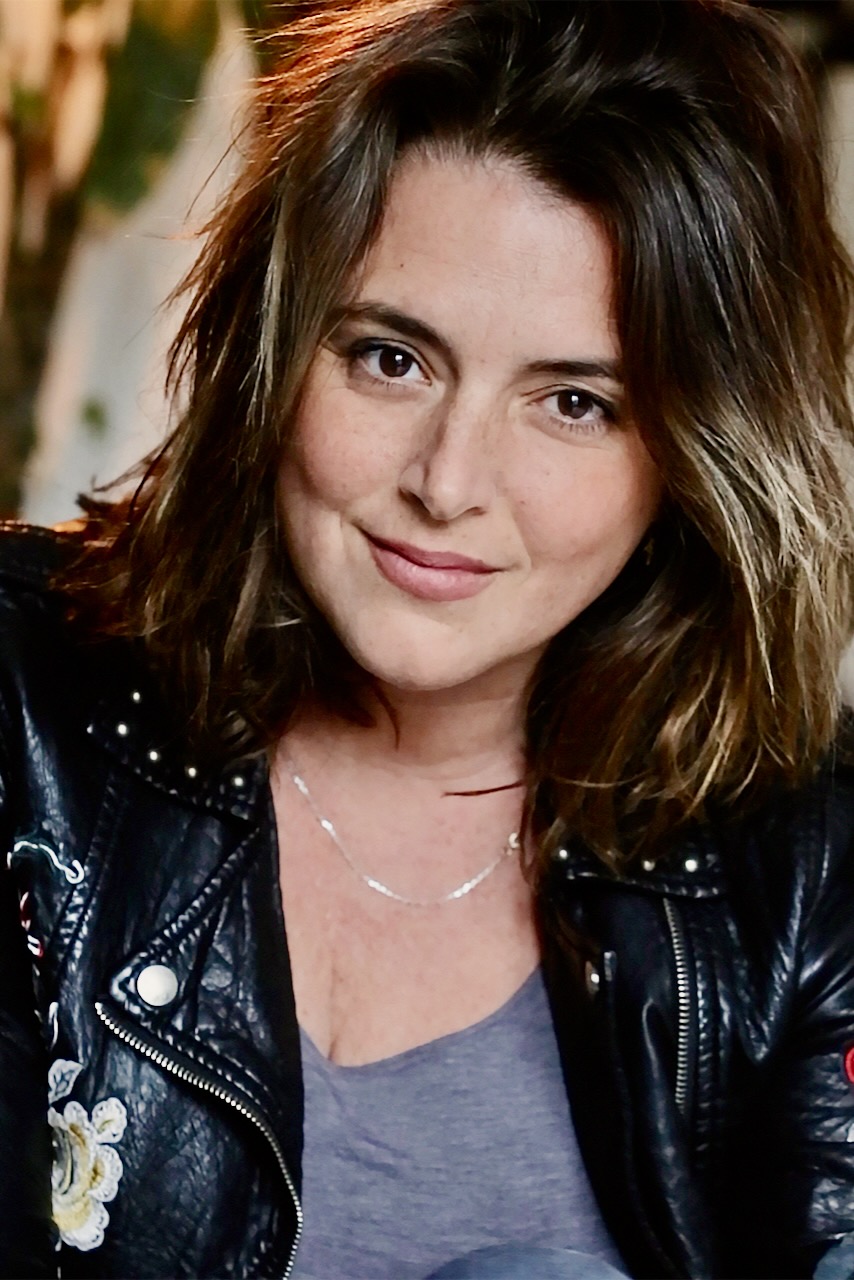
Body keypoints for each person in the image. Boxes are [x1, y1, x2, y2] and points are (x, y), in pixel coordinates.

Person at [2, 0, 854, 1276]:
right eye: (390, 359)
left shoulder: (797, 863)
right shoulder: (21, 700)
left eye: (573, 402)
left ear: (688, 454)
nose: (447, 482)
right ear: (273, 351)